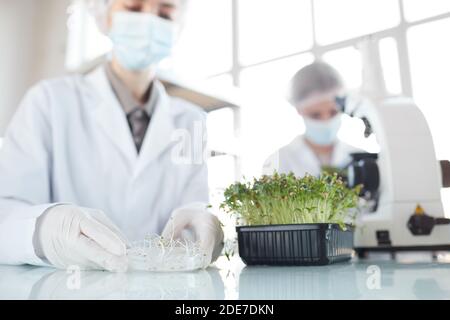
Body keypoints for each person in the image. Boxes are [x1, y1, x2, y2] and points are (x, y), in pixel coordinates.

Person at [0, 0, 223, 272]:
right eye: (133, 8)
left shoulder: (192, 120)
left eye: (165, 11)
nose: (150, 21)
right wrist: (42, 230)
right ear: (103, 16)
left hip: (162, 290)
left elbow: (192, 213)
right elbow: (6, 212)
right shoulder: (48, 101)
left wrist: (203, 227)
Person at [263, 61, 363, 178]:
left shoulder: (361, 159)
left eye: (333, 112)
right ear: (299, 110)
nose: (326, 121)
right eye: (315, 115)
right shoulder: (278, 163)